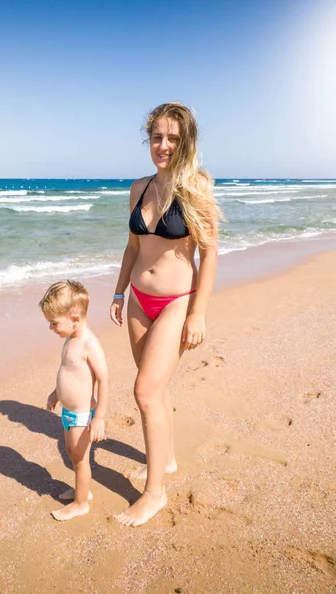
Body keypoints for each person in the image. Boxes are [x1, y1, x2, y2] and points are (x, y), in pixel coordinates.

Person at [110, 102, 220, 527]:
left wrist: (198, 313)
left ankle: (154, 494)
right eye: (157, 136)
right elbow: (134, 247)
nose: (164, 145)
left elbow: (209, 255)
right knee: (156, 388)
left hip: (176, 301)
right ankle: (167, 459)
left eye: (173, 138)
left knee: (144, 391)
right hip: (139, 298)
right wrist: (119, 292)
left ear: (185, 142)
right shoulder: (138, 188)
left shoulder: (197, 188)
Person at [40, 280, 109, 521]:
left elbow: (104, 379)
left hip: (82, 415)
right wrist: (56, 393)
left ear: (75, 319)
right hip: (69, 412)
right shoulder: (70, 340)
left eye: (54, 323)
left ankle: (81, 503)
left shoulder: (89, 344)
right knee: (71, 452)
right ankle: (82, 491)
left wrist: (99, 417)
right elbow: (68, 372)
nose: (51, 328)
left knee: (80, 460)